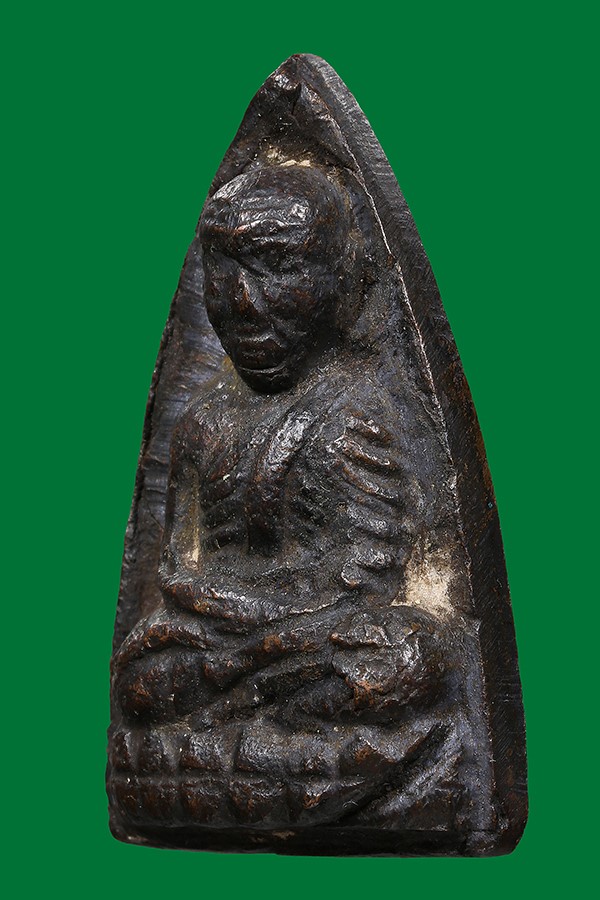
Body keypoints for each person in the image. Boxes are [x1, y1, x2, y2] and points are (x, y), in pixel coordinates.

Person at [110, 164, 469, 828]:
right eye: (225, 275)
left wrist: (261, 624)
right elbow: (175, 573)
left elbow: (364, 579)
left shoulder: (356, 411)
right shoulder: (203, 424)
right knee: (140, 679)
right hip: (223, 639)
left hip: (312, 635)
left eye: (277, 268)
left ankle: (232, 740)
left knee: (412, 658)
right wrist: (224, 614)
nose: (245, 302)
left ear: (343, 281)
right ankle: (274, 745)